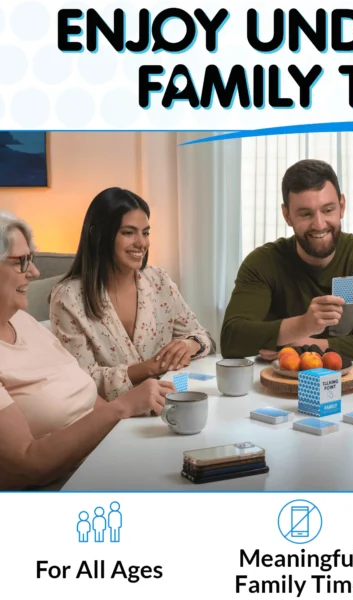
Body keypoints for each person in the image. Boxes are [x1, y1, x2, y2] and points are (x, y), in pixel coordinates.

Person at [0, 211, 173, 491]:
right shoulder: (68, 297)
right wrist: (124, 406)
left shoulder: (23, 321)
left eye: (31, 259)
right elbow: (25, 466)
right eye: (21, 262)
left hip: (101, 457)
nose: (34, 272)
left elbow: (87, 397)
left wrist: (132, 427)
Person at [220, 159, 353, 360]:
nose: (319, 224)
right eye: (305, 214)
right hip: (280, 383)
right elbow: (231, 339)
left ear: (342, 206)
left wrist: (318, 346)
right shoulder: (263, 263)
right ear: (287, 215)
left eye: (328, 210)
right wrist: (303, 325)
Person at [50, 188, 213, 401]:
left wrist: (189, 345)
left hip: (172, 400)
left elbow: (203, 336)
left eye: (145, 232)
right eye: (128, 232)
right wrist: (147, 368)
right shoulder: (68, 298)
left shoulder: (158, 280)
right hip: (112, 415)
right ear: (99, 235)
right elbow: (81, 379)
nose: (141, 243)